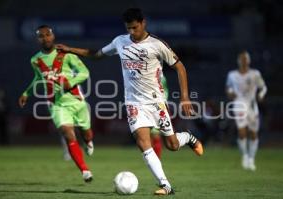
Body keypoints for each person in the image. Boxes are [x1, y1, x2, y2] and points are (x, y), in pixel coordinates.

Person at [56, 8, 203, 195]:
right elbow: (97, 54)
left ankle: (188, 137)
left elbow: (180, 67)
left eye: (134, 28)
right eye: (128, 28)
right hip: (133, 103)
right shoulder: (120, 41)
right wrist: (71, 50)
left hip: (156, 102)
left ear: (143, 23)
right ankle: (166, 185)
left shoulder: (157, 45)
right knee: (143, 142)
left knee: (172, 145)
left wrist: (184, 97)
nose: (131, 32)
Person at [18, 25, 94, 182]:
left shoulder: (66, 54)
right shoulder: (35, 60)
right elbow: (38, 79)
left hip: (77, 101)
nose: (45, 38)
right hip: (56, 104)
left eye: (47, 35)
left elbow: (84, 73)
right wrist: (26, 93)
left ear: (53, 36)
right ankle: (85, 171)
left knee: (86, 133)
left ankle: (88, 142)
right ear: (37, 39)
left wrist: (70, 83)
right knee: (68, 134)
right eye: (41, 36)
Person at [226, 50, 267, 171]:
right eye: (242, 58)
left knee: (253, 134)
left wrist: (261, 94)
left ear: (248, 60)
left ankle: (251, 158)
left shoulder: (255, 74)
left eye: (246, 58)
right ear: (238, 61)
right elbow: (228, 88)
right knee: (242, 132)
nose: (244, 61)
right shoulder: (232, 75)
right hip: (239, 104)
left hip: (252, 105)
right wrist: (230, 93)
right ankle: (244, 156)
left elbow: (263, 87)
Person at [150, 75, 168, 159]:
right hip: (147, 107)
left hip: (158, 107)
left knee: (155, 135)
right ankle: (153, 159)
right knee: (148, 136)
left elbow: (163, 93)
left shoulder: (160, 77)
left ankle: (157, 160)